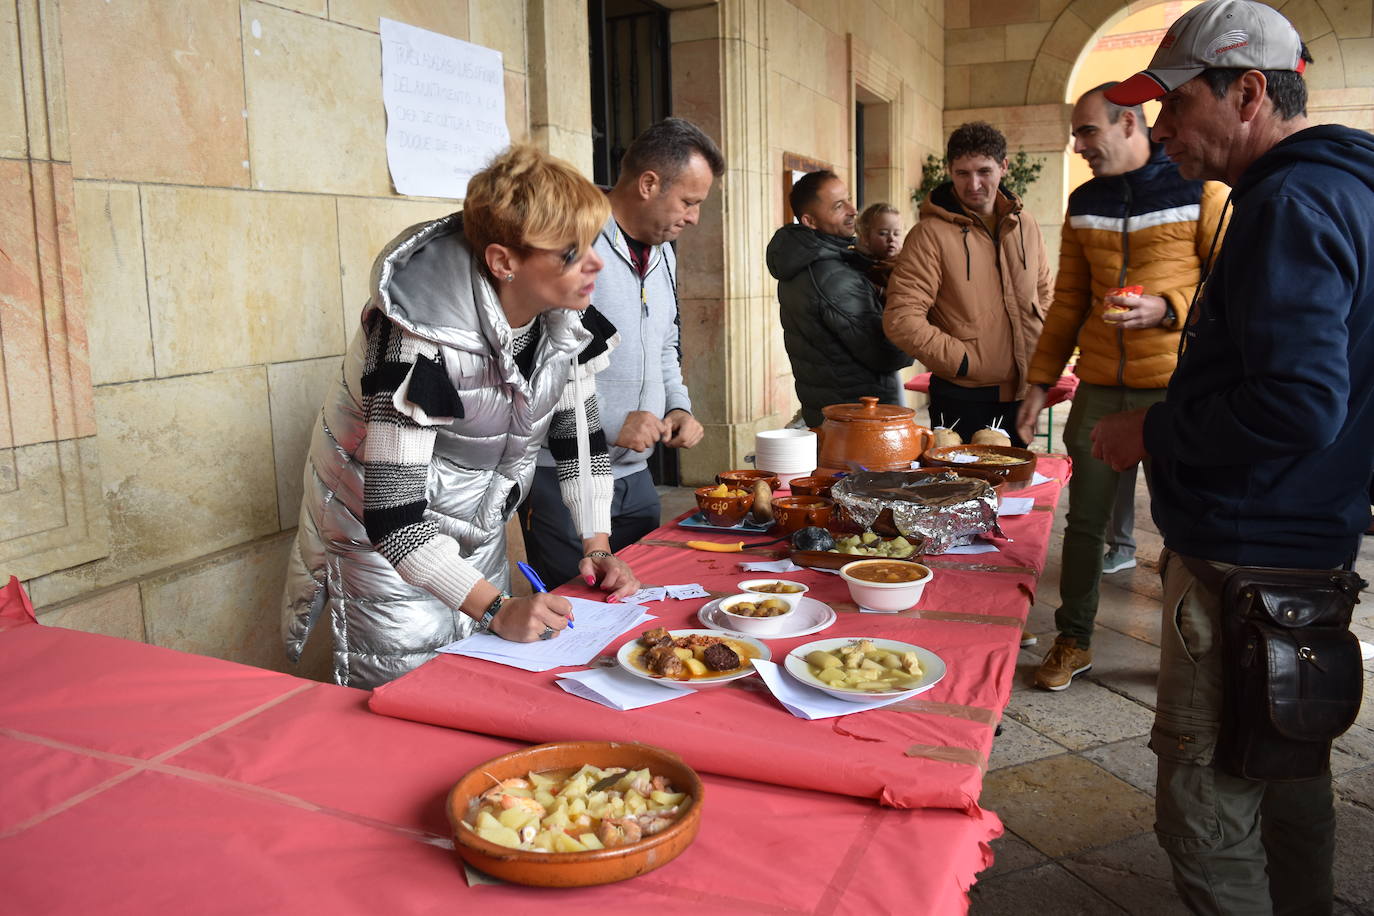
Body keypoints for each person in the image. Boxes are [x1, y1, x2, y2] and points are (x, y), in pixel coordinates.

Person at [1092, 2, 1374, 909]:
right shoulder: (1347, 190)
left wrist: (1151, 433)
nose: (1161, 127)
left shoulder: (1290, 201)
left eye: (1175, 104)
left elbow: (1297, 402)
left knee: (1206, 808)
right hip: (1310, 543)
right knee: (1287, 775)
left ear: (1250, 92)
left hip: (1245, 560)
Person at [281, 146, 641, 689]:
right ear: (503, 262)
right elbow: (393, 518)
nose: (595, 264)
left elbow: (578, 438)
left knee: (480, 676)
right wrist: (497, 608)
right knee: (407, 692)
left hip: (474, 521)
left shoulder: (563, 317)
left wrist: (596, 545)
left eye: (591, 243)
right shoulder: (416, 336)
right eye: (569, 253)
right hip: (378, 538)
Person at [1015, 85, 1229, 691]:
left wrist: (1170, 306)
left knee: (1185, 527)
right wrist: (1040, 383)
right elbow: (1069, 305)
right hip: (1101, 384)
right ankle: (1073, 638)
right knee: (1083, 522)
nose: (1077, 145)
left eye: (1086, 132)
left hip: (1177, 390)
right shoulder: (1083, 201)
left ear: (1128, 122)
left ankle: (1189, 651)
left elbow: (1235, 284)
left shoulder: (1201, 189)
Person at [519, 118, 724, 588]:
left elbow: (665, 344)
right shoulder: (575, 242)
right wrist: (611, 425)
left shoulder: (664, 252)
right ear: (649, 183)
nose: (693, 218)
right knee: (578, 611)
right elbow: (532, 368)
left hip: (637, 476)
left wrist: (678, 406)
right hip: (561, 478)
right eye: (689, 202)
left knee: (641, 605)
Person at [885, 122, 1051, 446]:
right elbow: (901, 319)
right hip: (961, 397)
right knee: (961, 493)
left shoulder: (1026, 226)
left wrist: (1040, 365)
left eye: (984, 171)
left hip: (1022, 392)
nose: (973, 184)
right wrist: (963, 361)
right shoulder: (929, 234)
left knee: (1015, 494)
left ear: (1003, 167)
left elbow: (1045, 295)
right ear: (949, 170)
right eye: (962, 173)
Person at [767, 171, 913, 427]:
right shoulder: (832, 276)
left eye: (848, 199)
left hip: (837, 413)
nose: (853, 210)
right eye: (838, 206)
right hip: (861, 417)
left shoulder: (810, 261)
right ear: (810, 220)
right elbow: (888, 354)